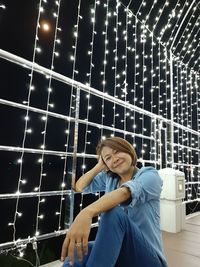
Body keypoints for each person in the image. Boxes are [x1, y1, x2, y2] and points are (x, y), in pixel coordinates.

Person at [61, 137, 168, 267]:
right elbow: (79, 187)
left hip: (148, 259)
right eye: (108, 158)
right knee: (79, 253)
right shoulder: (110, 179)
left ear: (129, 151)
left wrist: (87, 213)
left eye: (117, 152)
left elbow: (125, 192)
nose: (115, 159)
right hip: (119, 250)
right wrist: (99, 166)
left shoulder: (150, 175)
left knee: (112, 213)